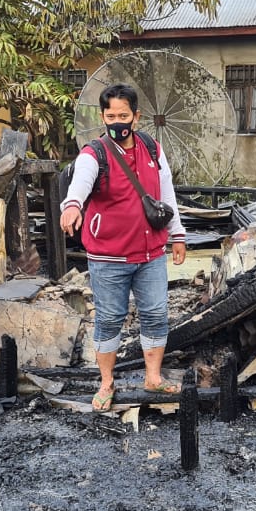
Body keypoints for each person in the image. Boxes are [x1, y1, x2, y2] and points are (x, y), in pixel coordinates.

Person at [59, 83, 187, 411]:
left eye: (124, 115)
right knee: (110, 318)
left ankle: (153, 377)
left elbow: (166, 195)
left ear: (137, 116)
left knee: (157, 313)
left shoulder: (152, 148)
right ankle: (106, 383)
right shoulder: (95, 154)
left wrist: (178, 234)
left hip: (150, 254)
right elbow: (80, 184)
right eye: (111, 115)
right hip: (108, 256)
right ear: (102, 117)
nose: (118, 121)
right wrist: (71, 206)